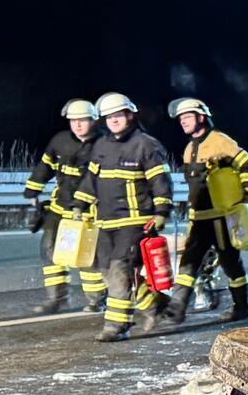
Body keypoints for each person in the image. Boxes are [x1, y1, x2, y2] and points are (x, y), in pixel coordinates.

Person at [72, 93, 173, 341]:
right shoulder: (102, 147)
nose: (113, 120)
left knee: (119, 269)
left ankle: (117, 326)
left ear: (130, 115)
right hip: (105, 222)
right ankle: (155, 305)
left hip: (135, 222)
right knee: (105, 269)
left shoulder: (146, 145)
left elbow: (160, 182)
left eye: (118, 115)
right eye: (109, 117)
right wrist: (79, 205)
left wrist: (161, 212)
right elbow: (90, 181)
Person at [154, 97, 248, 328]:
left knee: (230, 263)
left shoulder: (220, 141)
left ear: (201, 117)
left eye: (187, 117)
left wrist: (246, 194)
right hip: (199, 218)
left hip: (221, 217)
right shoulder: (190, 147)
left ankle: (241, 307)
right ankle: (176, 310)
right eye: (181, 119)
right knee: (188, 264)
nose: (183, 122)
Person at [22, 99, 106, 313]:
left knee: (87, 258)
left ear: (94, 120)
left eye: (83, 120)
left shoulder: (104, 145)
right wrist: (33, 190)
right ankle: (57, 299)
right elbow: (45, 166)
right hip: (60, 207)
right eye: (73, 121)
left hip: (89, 211)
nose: (77, 125)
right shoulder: (60, 141)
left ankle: (97, 300)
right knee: (50, 251)